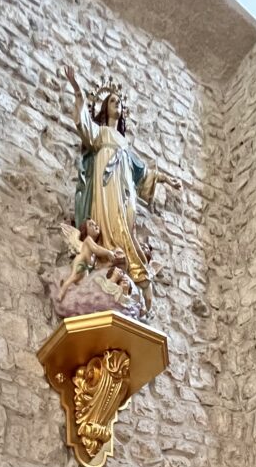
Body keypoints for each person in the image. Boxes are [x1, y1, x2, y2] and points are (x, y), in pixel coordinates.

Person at [64, 66, 180, 313]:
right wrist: (77, 91)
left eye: (119, 102)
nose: (117, 105)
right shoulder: (101, 134)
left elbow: (143, 173)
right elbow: (83, 124)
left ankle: (131, 268)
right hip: (105, 187)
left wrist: (167, 180)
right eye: (112, 101)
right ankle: (106, 260)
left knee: (127, 226)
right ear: (105, 108)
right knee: (106, 221)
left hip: (124, 191)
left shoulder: (125, 145)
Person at [57, 219, 125, 300]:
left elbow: (98, 267)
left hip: (86, 268)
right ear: (86, 232)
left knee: (83, 283)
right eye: (91, 225)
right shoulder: (88, 240)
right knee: (74, 277)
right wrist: (108, 252)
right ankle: (61, 292)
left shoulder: (94, 255)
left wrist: (109, 264)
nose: (95, 225)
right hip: (80, 262)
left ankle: (69, 289)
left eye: (95, 224)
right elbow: (96, 249)